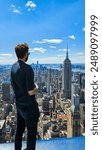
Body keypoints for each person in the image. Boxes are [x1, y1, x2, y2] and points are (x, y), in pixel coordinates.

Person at [11, 43, 40, 150]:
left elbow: (15, 85)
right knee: (31, 134)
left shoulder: (13, 68)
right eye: (28, 53)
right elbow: (31, 91)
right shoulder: (28, 69)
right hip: (30, 107)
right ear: (26, 54)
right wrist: (36, 87)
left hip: (19, 105)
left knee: (19, 131)